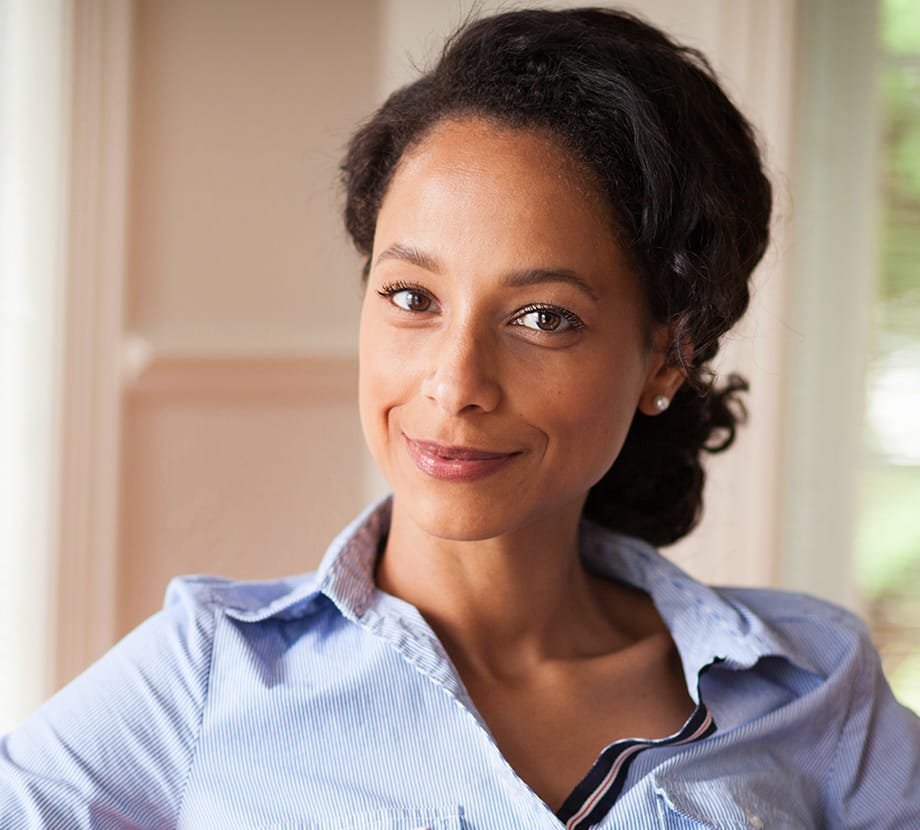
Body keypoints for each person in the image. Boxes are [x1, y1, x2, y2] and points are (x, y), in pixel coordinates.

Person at [2, 7, 919, 829]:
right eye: (411, 296)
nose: (455, 382)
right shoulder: (204, 678)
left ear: (666, 356)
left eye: (543, 318)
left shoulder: (811, 685)